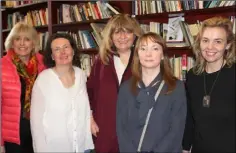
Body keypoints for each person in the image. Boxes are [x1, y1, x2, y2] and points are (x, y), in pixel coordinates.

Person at [116, 32, 187, 152]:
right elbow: (121, 128)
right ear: (138, 54)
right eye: (143, 49)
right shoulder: (126, 88)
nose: (148, 54)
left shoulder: (176, 87)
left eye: (155, 48)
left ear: (163, 55)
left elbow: (176, 130)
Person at [87, 13, 143, 153]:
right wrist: (90, 119)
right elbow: (90, 92)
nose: (122, 37)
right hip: (105, 131)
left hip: (135, 132)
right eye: (117, 32)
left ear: (135, 35)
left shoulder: (143, 60)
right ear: (111, 36)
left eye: (127, 32)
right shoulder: (101, 61)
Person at [30, 33, 94, 152]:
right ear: (52, 56)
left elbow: (86, 105)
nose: (63, 52)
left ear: (73, 51)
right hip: (55, 147)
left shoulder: (81, 74)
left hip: (81, 145)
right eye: (57, 49)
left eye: (66, 47)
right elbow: (36, 124)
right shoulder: (43, 80)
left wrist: (91, 119)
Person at [182, 17, 235, 153]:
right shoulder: (193, 76)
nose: (210, 47)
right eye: (205, 40)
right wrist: (185, 148)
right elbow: (190, 119)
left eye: (218, 41)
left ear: (228, 45)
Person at [1, 22, 45, 153]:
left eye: (27, 39)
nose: (22, 43)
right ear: (11, 42)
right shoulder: (2, 66)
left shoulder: (44, 64)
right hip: (13, 135)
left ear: (33, 43)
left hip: (40, 131)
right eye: (17, 39)